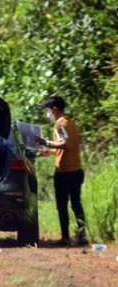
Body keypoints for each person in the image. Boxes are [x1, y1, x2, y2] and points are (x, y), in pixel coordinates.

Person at [34, 96, 89, 247]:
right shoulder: (71, 123)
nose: (48, 114)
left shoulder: (59, 125)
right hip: (77, 170)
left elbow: (64, 144)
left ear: (54, 109)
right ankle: (82, 235)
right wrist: (50, 152)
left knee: (62, 205)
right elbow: (67, 146)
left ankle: (65, 238)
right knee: (76, 203)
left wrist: (45, 142)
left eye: (48, 111)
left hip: (64, 172)